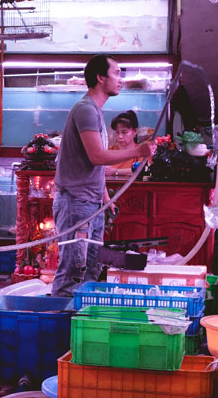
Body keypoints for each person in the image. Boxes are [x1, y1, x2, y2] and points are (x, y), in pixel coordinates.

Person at [51, 55, 153, 298]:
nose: (121, 79)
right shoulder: (85, 110)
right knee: (73, 270)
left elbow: (92, 166)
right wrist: (138, 151)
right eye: (116, 73)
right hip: (77, 203)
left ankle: (80, 319)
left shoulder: (95, 111)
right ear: (100, 77)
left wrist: (105, 197)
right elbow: (97, 157)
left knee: (90, 269)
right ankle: (59, 319)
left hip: (92, 203)